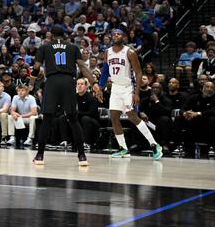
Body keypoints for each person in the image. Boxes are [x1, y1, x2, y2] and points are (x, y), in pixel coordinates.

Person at [31, 25, 96, 166]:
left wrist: (31, 81)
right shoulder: (73, 47)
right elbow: (83, 67)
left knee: (47, 119)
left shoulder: (45, 46)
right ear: (64, 34)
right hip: (68, 81)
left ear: (52, 35)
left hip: (52, 81)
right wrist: (93, 82)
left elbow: (36, 67)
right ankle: (82, 156)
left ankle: (40, 156)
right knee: (73, 119)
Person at [101, 29, 163, 159]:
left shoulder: (130, 52)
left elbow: (139, 73)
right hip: (115, 88)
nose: (116, 36)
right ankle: (123, 148)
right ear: (111, 37)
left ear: (123, 37)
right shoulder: (107, 52)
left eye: (119, 34)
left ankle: (154, 144)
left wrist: (136, 93)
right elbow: (105, 72)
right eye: (114, 34)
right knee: (114, 117)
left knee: (132, 116)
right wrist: (100, 87)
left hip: (128, 87)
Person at [175, 81, 215, 158]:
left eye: (211, 87)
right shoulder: (194, 97)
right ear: (203, 88)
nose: (209, 89)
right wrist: (185, 113)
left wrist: (197, 113)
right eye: (207, 86)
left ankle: (211, 146)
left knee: (212, 119)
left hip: (206, 120)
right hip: (193, 119)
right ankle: (179, 145)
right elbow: (183, 108)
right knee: (179, 118)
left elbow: (213, 111)